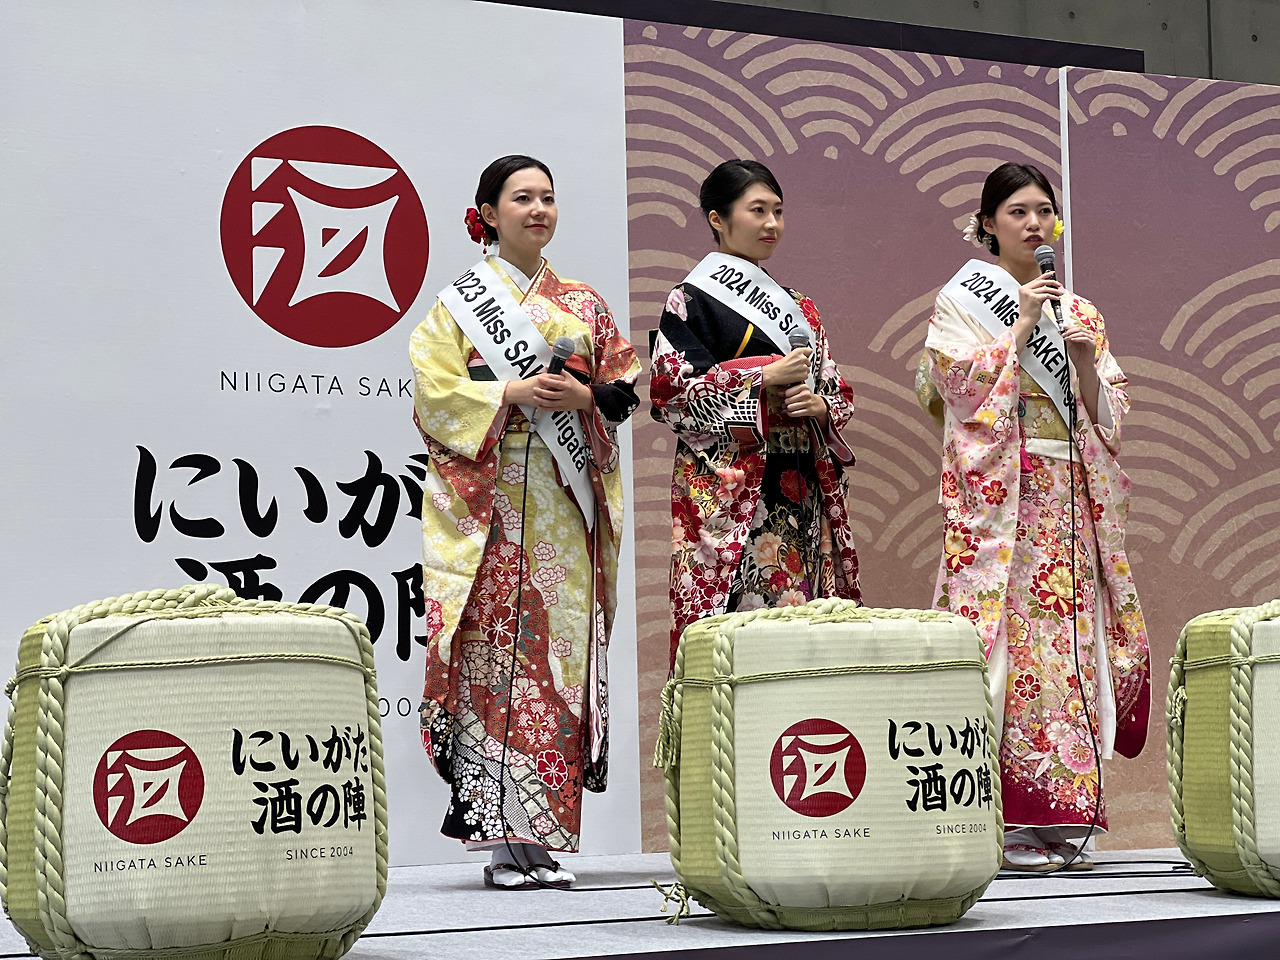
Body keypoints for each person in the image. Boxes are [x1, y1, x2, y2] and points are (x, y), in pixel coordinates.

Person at [410, 155, 640, 888]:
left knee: (555, 659)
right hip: (492, 507)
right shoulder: (458, 305)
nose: (538, 209)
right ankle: (500, 843)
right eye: (521, 198)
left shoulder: (584, 304)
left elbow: (624, 387)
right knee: (494, 657)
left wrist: (587, 399)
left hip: (565, 505)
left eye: (548, 197)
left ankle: (541, 837)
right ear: (488, 212)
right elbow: (432, 394)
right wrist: (507, 391)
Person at [925, 162, 1150, 871]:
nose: (1033, 223)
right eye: (1017, 211)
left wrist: (1081, 362)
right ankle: (1003, 813)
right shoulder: (964, 298)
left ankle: (1066, 812)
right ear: (988, 224)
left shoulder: (1081, 313)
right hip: (1002, 499)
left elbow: (1109, 416)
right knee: (1010, 648)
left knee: (1068, 647)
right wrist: (1020, 324)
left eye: (1043, 211)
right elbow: (953, 387)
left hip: (1067, 497)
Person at [650, 158, 861, 669]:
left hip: (797, 485)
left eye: (778, 212)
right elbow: (670, 393)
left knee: (798, 626)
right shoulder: (690, 300)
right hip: (731, 494)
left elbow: (836, 389)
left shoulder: (799, 306)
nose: (772, 224)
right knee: (731, 636)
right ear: (717, 218)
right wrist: (762, 376)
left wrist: (820, 407)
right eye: (758, 210)